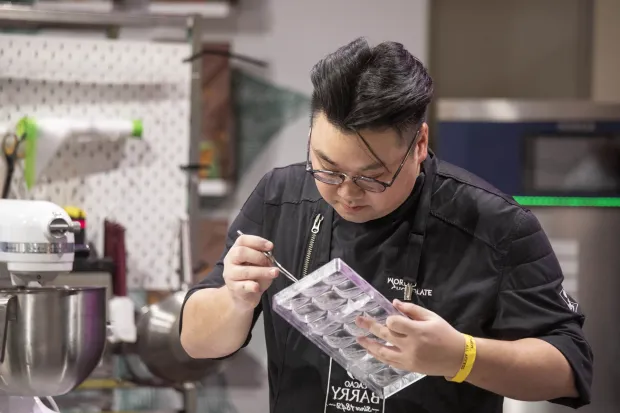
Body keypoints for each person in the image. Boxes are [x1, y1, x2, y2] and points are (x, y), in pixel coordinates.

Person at [179, 37, 593, 413]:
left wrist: (461, 357)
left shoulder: (496, 225)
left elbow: (569, 368)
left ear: (420, 145)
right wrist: (235, 300)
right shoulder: (280, 198)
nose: (346, 192)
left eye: (372, 177)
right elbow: (196, 341)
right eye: (327, 168)